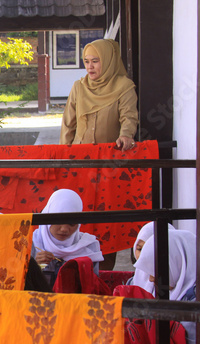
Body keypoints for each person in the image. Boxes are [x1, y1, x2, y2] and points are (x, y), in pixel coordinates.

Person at [60, 39, 139, 270]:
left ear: (110, 61)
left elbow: (129, 117)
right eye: (87, 62)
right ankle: (75, 269)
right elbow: (68, 126)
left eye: (96, 61)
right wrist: (62, 159)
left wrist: (126, 135)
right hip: (79, 168)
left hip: (109, 167)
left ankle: (104, 272)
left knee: (107, 222)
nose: (90, 67)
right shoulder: (79, 87)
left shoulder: (124, 87)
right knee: (79, 215)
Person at [134, 229, 197, 344]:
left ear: (179, 263)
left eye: (157, 270)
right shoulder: (158, 289)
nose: (151, 279)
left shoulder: (196, 302)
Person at [32, 189, 104, 287]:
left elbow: (93, 288)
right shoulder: (29, 244)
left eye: (72, 223)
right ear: (47, 217)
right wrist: (34, 267)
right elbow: (17, 285)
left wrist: (81, 268)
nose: (64, 229)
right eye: (58, 221)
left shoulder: (89, 247)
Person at [127, 222, 176, 294]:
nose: (143, 255)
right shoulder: (133, 281)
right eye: (139, 249)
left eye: (150, 250)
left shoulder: (192, 294)